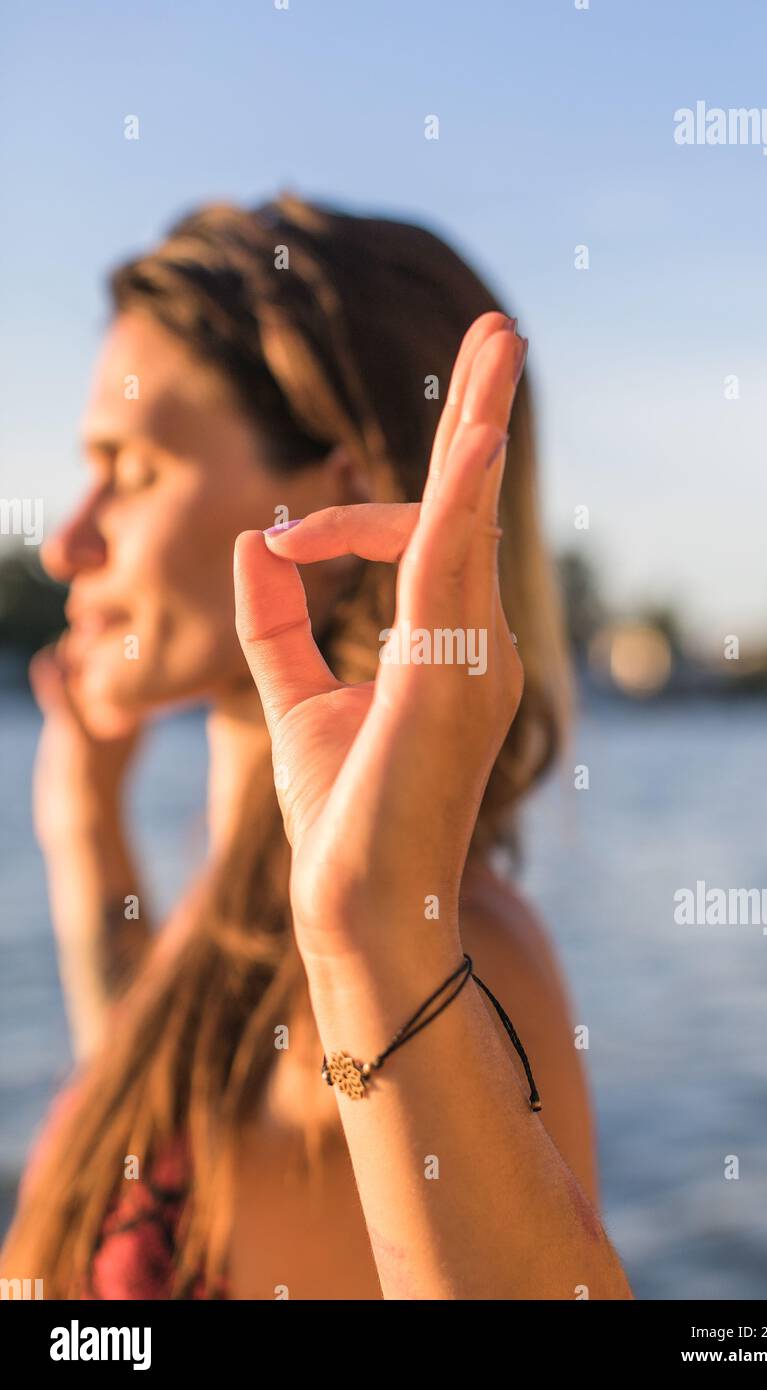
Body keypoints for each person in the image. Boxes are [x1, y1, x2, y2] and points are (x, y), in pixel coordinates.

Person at [1, 194, 632, 1299]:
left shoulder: (456, 951)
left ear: (339, 491)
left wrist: (380, 940)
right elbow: (166, 1137)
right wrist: (85, 833)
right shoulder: (237, 919)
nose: (66, 542)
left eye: (134, 470)